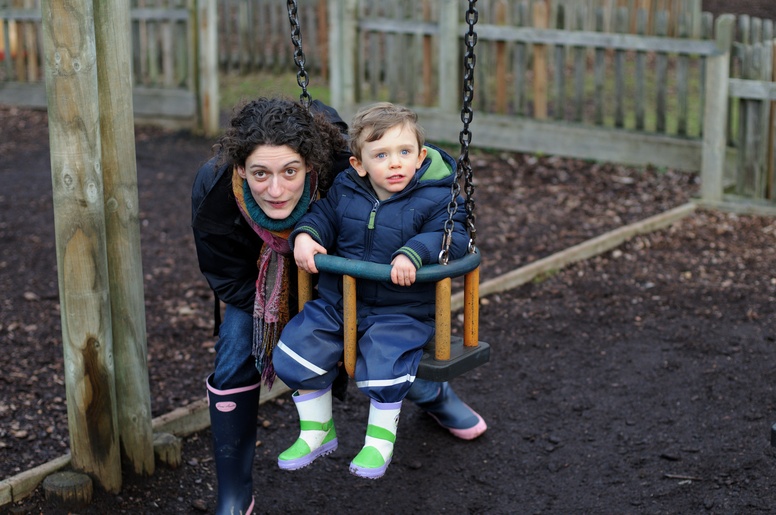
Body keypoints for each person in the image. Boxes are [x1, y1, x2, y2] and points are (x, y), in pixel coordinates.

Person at [191, 98, 486, 511]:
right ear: (241, 170)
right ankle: (236, 490)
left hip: (366, 287)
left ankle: (431, 396)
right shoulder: (217, 189)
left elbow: (446, 229)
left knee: (387, 348)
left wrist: (414, 253)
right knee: (249, 354)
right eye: (260, 173)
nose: (275, 189)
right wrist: (292, 283)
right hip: (267, 290)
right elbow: (225, 271)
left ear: (311, 165)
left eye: (289, 171)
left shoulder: (341, 168)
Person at [272, 102, 485, 481]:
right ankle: (316, 432)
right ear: (359, 164)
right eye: (381, 155)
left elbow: (453, 236)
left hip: (401, 311)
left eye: (404, 152)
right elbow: (323, 216)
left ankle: (378, 443)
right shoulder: (346, 189)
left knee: (384, 367)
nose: (395, 163)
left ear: (420, 156)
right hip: (339, 302)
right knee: (296, 351)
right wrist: (306, 234)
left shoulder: (439, 196)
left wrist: (414, 253)